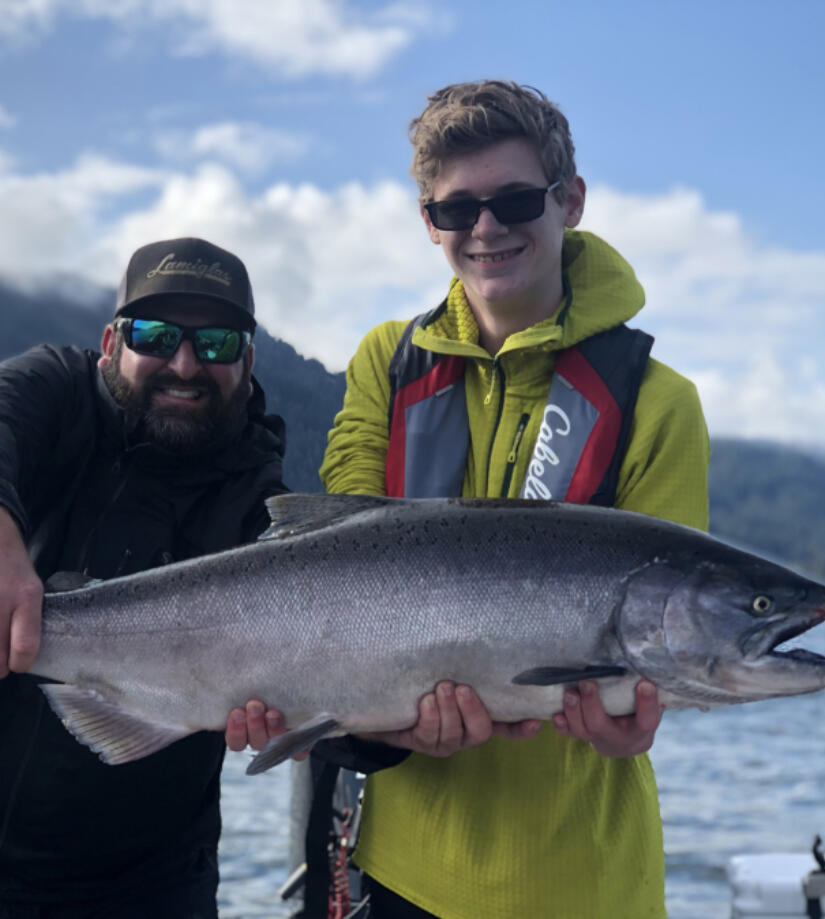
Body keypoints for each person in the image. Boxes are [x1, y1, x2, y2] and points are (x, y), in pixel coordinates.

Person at [309, 80, 711, 918]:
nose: (487, 228)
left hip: (587, 883)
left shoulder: (660, 403)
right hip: (402, 870)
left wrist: (638, 719)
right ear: (429, 222)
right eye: (457, 211)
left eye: (516, 200)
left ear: (570, 201)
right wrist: (370, 721)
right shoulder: (387, 361)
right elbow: (325, 571)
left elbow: (672, 645)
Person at [0, 237, 287, 919]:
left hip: (144, 890)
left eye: (218, 343)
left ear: (248, 360)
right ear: (112, 342)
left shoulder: (266, 509)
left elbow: (339, 684)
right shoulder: (53, 389)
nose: (184, 362)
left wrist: (380, 739)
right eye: (156, 335)